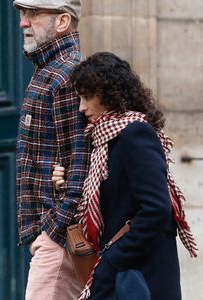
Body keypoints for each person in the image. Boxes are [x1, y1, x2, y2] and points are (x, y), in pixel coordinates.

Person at [53, 52, 198, 300]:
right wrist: (66, 184)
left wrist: (111, 261)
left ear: (111, 94)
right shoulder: (101, 142)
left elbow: (156, 209)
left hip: (140, 279)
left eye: (87, 97)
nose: (82, 107)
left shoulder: (135, 134)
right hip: (121, 278)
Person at [13, 0, 90, 299]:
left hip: (59, 237)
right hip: (50, 235)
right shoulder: (48, 72)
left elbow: (80, 161)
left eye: (33, 13)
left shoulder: (67, 75)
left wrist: (55, 230)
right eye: (23, 13)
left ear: (62, 22)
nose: (24, 22)